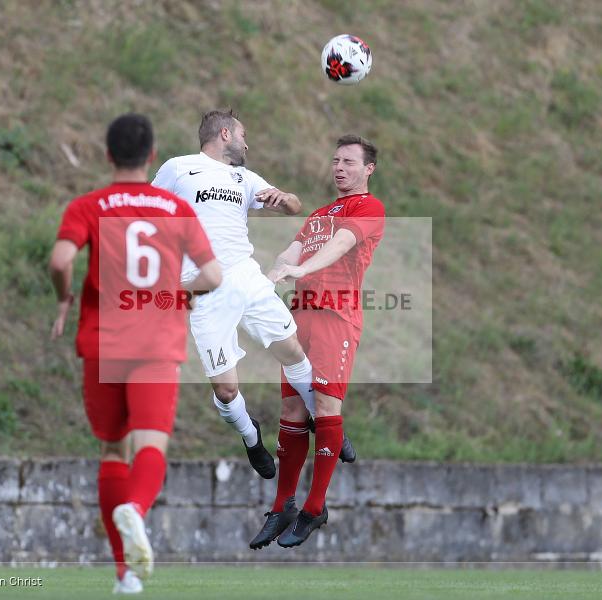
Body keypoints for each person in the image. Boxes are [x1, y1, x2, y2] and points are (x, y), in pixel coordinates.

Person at [49, 113, 222, 593]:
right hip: (154, 342)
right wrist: (177, 292)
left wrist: (64, 299)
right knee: (151, 447)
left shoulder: (89, 205)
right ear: (151, 156)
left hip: (104, 343)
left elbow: (61, 260)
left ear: (108, 155)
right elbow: (212, 275)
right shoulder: (174, 209)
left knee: (112, 450)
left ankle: (124, 573)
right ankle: (136, 509)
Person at [151, 109, 354, 479]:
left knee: (291, 350)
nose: (248, 143)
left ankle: (325, 423)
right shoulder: (179, 168)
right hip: (203, 290)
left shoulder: (243, 178)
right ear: (225, 134)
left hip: (246, 277)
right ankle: (251, 437)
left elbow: (295, 206)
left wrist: (284, 197)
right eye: (243, 135)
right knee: (227, 392)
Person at [250, 135, 385, 549]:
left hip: (335, 317)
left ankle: (314, 508)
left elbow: (340, 245)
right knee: (291, 410)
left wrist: (302, 266)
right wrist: (272, 273)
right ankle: (281, 506)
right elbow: (290, 253)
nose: (339, 167)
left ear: (368, 169)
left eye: (349, 161)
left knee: (325, 406)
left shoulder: (369, 208)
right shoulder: (319, 213)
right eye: (335, 160)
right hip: (300, 316)